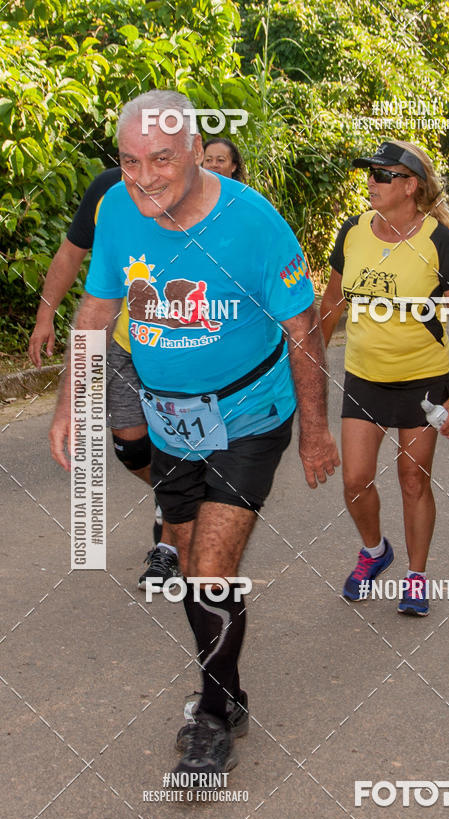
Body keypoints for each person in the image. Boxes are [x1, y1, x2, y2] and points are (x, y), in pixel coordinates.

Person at [49, 89, 339, 781]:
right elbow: (95, 308)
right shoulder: (118, 209)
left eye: (159, 160)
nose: (142, 176)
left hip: (250, 414)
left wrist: (317, 432)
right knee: (185, 560)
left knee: (209, 570)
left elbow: (303, 330)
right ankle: (229, 687)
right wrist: (69, 401)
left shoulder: (255, 222)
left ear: (192, 151)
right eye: (127, 160)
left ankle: (211, 719)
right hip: (169, 416)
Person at [319, 140, 449, 616]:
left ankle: (416, 577)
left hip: (423, 380)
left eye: (383, 175)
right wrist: (306, 366)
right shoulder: (353, 232)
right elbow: (331, 305)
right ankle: (374, 552)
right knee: (355, 480)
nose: (371, 181)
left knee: (413, 479)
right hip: (365, 377)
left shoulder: (438, 241)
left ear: (411, 186)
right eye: (370, 173)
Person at [27, 166, 180, 589]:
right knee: (131, 449)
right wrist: (45, 317)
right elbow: (70, 254)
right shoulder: (108, 190)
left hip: (178, 343)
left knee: (174, 441)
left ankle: (168, 544)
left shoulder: (196, 190)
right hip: (121, 338)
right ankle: (181, 495)